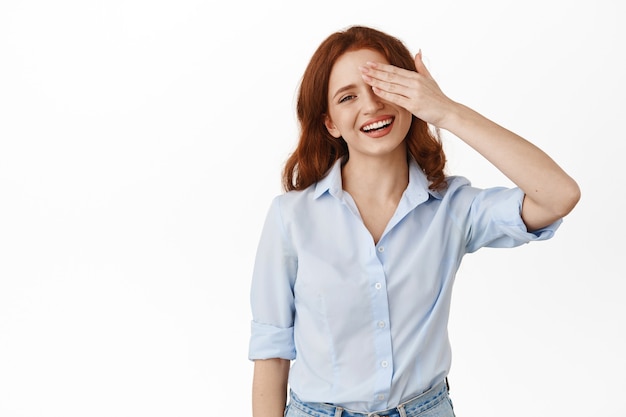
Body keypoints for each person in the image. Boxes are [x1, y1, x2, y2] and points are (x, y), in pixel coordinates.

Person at [248, 25, 580, 417]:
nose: (371, 106)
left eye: (385, 86)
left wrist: (446, 111)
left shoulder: (452, 207)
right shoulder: (291, 217)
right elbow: (272, 349)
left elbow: (559, 195)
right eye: (348, 96)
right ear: (330, 123)